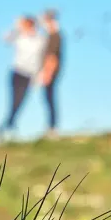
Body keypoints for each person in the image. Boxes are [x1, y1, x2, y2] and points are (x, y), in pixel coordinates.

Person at [0, 15, 47, 144]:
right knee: (14, 102)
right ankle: (8, 127)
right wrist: (17, 27)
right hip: (17, 73)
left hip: (30, 76)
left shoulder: (40, 39)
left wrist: (38, 76)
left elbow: (42, 58)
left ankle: (6, 127)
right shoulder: (19, 36)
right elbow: (5, 38)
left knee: (20, 103)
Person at [39, 8, 63, 139]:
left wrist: (47, 73)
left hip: (51, 73)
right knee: (48, 99)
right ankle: (51, 126)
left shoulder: (54, 36)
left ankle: (52, 128)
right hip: (50, 72)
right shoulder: (51, 35)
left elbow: (52, 57)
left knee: (50, 99)